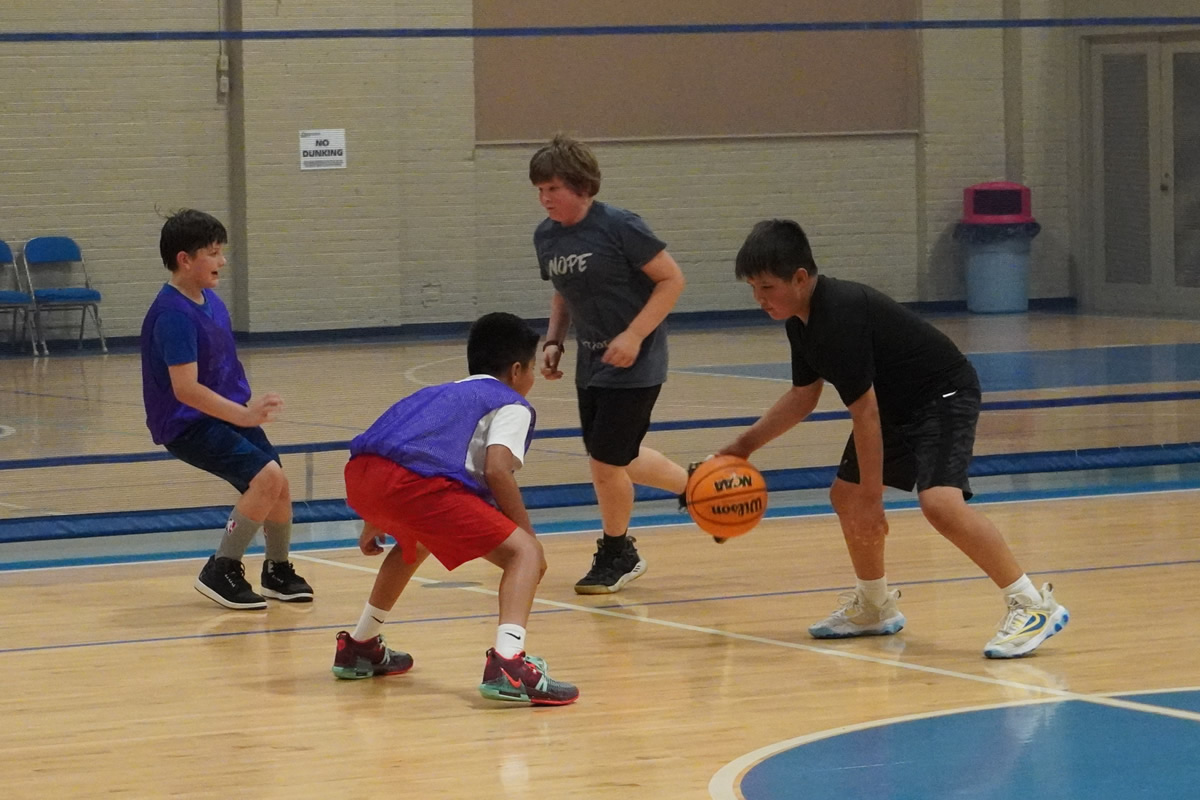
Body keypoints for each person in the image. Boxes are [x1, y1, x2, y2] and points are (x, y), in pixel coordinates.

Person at [719, 219, 1069, 658]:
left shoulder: (839, 313)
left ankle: (1030, 603)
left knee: (939, 503)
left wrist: (874, 498)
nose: (759, 299)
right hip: (895, 402)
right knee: (845, 497)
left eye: (767, 287)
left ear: (801, 278)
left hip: (941, 393)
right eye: (753, 287)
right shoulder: (801, 323)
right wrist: (743, 446)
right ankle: (875, 605)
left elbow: (864, 413)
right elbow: (802, 397)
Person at [332, 312, 578, 706]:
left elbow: (393, 448)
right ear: (517, 370)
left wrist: (374, 518)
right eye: (531, 369)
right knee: (525, 554)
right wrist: (528, 539)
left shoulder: (436, 393)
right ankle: (509, 664)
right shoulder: (510, 402)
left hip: (363, 475)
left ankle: (360, 644)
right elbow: (497, 467)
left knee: (416, 541)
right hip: (416, 486)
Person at [530, 133, 690, 595]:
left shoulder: (621, 226)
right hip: (592, 361)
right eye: (539, 190)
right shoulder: (546, 236)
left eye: (553, 188)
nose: (544, 198)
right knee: (618, 455)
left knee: (605, 460)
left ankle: (618, 551)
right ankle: (695, 487)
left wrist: (636, 334)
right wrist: (555, 340)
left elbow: (672, 279)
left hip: (637, 360)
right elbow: (563, 290)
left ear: (581, 186)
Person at [141, 209, 312, 610]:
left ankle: (277, 570)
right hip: (188, 425)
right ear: (185, 259)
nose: (221, 261)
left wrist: (244, 408)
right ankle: (221, 568)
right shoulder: (172, 315)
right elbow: (186, 390)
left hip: (227, 413)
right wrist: (244, 416)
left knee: (279, 482)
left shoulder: (211, 302)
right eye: (214, 253)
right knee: (267, 479)